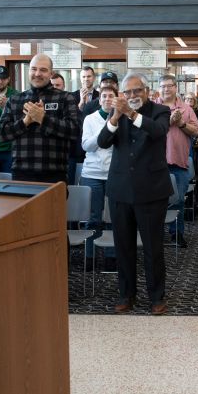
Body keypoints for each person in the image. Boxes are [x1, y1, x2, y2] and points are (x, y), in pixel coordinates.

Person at [97, 72, 172, 315]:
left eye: (136, 91)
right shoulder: (118, 112)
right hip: (120, 191)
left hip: (151, 191)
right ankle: (126, 294)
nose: (131, 96)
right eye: (127, 92)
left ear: (147, 91)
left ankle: (156, 296)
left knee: (152, 247)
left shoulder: (160, 111)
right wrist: (116, 117)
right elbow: (102, 141)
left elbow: (158, 132)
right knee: (123, 247)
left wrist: (131, 114)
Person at [0, 53, 79, 183]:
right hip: (21, 174)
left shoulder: (65, 98)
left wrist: (43, 119)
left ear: (51, 74)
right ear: (29, 71)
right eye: (34, 69)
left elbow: (75, 131)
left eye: (43, 70)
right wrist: (25, 121)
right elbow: (1, 135)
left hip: (54, 175)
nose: (37, 73)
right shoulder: (15, 99)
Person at [156, 74, 198, 248]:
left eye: (169, 86)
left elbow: (196, 132)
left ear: (175, 88)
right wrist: (168, 122)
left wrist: (181, 123)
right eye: (163, 86)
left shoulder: (186, 109)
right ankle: (156, 234)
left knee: (178, 200)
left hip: (179, 162)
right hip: (155, 165)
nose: (166, 89)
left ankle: (177, 233)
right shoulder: (152, 107)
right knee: (156, 202)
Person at [80, 84, 118, 271]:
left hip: (113, 174)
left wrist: (113, 124)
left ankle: (111, 257)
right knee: (93, 218)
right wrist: (105, 131)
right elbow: (87, 145)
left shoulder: (121, 118)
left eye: (111, 96)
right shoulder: (90, 119)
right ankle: (90, 257)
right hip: (92, 174)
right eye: (104, 96)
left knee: (113, 218)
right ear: (99, 99)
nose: (107, 99)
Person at [69, 66, 100, 184]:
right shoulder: (71, 96)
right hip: (76, 144)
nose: (86, 79)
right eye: (83, 76)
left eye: (89, 76)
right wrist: (81, 103)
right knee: (74, 180)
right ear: (80, 79)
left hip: (94, 143)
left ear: (94, 78)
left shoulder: (101, 96)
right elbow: (72, 118)